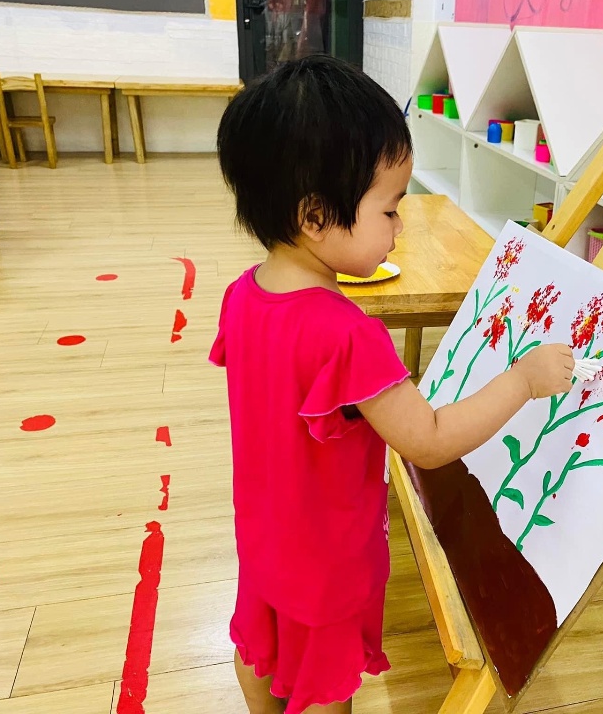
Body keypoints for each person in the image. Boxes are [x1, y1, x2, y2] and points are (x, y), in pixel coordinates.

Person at [212, 55, 576, 714]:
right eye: (390, 209)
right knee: (325, 688)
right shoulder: (349, 336)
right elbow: (429, 441)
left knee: (261, 647)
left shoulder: (242, 296)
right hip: (326, 564)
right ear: (315, 217)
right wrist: (524, 379)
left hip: (262, 541)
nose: (400, 226)